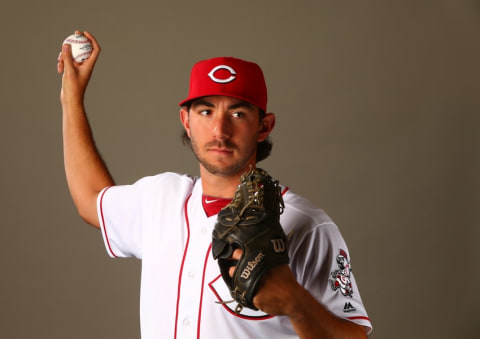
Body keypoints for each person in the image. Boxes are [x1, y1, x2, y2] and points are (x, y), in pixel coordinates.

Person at [57, 30, 372, 339]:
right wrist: (71, 96)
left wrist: (295, 303)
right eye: (206, 112)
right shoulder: (159, 199)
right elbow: (91, 199)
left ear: (264, 126)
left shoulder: (305, 225)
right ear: (186, 121)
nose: (220, 130)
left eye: (237, 113)